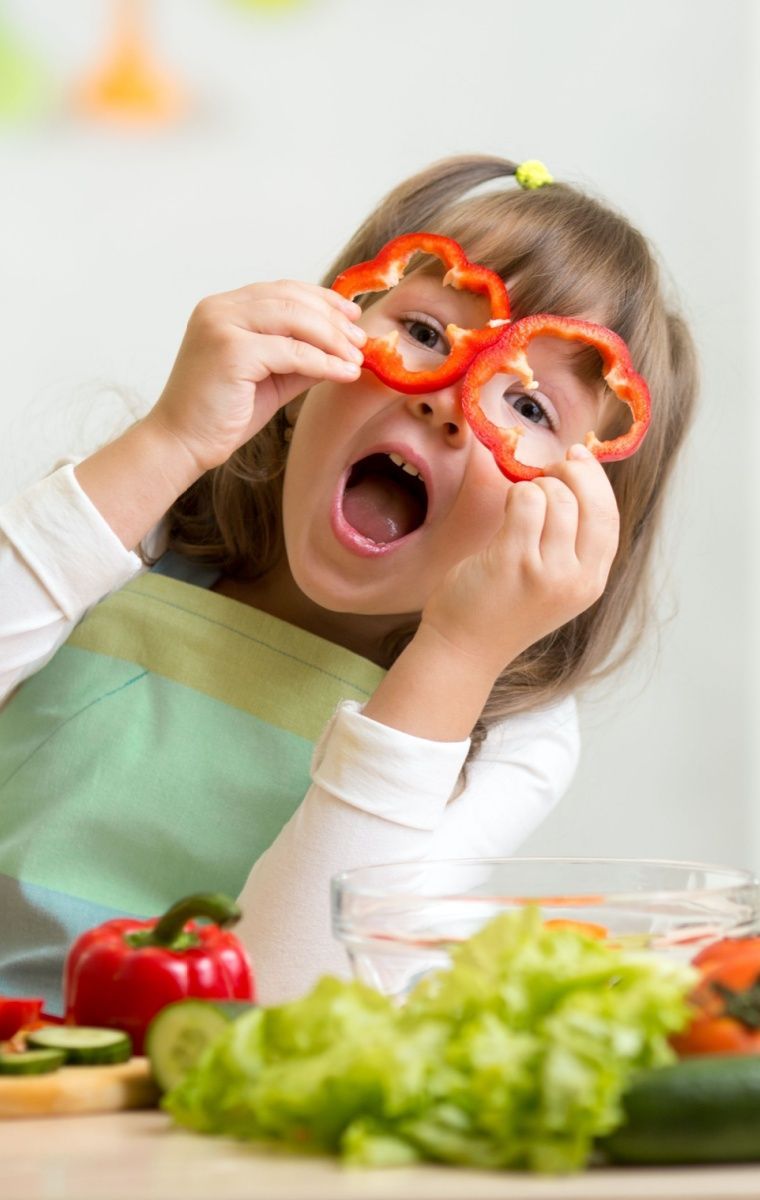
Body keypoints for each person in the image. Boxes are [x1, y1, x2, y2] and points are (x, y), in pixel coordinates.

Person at [0, 155, 697, 1011]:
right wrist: (168, 442)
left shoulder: (515, 731)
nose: (449, 398)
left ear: (572, 519)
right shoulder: (131, 527)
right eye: (428, 334)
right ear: (309, 356)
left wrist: (455, 654)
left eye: (528, 408)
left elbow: (293, 998)